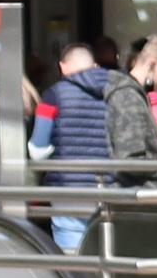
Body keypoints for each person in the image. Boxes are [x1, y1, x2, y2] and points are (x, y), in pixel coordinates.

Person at [31, 44, 111, 249]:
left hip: (68, 190)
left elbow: (37, 150)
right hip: (110, 189)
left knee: (73, 263)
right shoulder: (115, 93)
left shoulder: (52, 95)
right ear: (95, 66)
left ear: (62, 67)